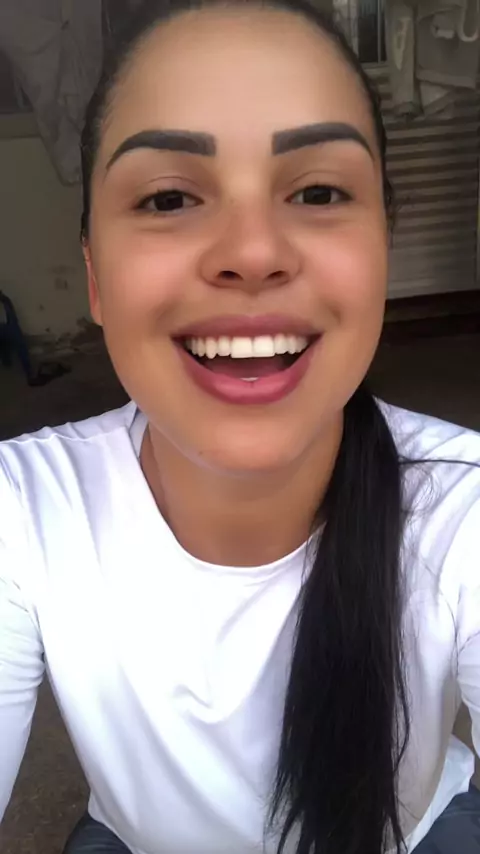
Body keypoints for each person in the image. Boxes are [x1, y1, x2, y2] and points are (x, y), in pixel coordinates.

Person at [0, 1, 480, 853]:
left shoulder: (463, 508)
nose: (253, 252)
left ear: (383, 250)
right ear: (96, 278)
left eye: (319, 192)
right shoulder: (25, 510)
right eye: (169, 197)